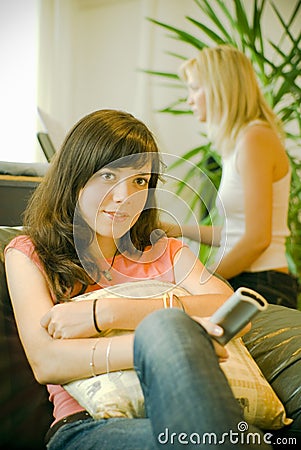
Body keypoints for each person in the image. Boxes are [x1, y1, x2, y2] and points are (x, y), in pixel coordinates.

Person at [5, 109, 271, 449]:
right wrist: (170, 343)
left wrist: (106, 313)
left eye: (140, 182)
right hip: (89, 426)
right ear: (75, 175)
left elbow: (228, 308)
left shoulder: (163, 250)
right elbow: (47, 362)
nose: (124, 197)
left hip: (184, 407)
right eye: (108, 176)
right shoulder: (29, 252)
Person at [164, 45, 298, 309]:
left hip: (263, 285)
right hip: (251, 280)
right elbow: (236, 233)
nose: (189, 99)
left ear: (219, 88)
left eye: (194, 88)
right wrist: (176, 230)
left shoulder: (255, 139)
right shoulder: (239, 142)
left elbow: (258, 240)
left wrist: (202, 280)